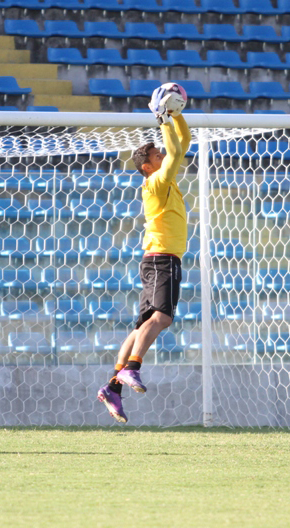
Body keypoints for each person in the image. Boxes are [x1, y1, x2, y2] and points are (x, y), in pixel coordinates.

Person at [97, 84, 191, 423]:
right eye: (157, 156)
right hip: (163, 259)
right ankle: (131, 369)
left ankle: (112, 387)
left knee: (141, 327)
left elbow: (183, 144)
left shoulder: (162, 182)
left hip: (156, 259)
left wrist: (176, 118)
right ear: (148, 167)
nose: (163, 156)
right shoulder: (156, 183)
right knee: (162, 319)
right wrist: (164, 119)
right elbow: (177, 152)